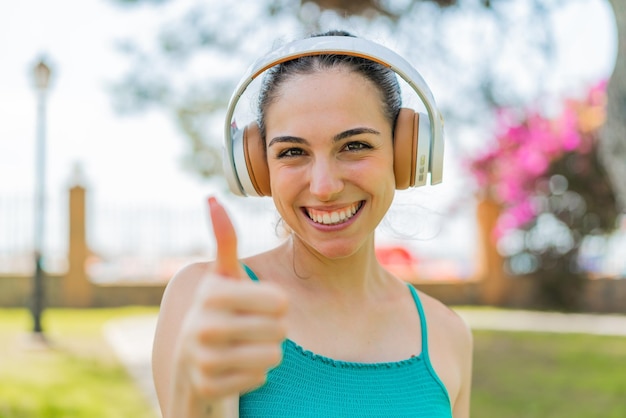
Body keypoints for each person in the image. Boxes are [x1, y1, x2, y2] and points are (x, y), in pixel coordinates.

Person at [152, 30, 473, 418]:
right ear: (257, 169)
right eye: (292, 152)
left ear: (406, 154)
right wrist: (196, 399)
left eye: (354, 145)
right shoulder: (208, 300)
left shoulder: (448, 335)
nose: (324, 187)